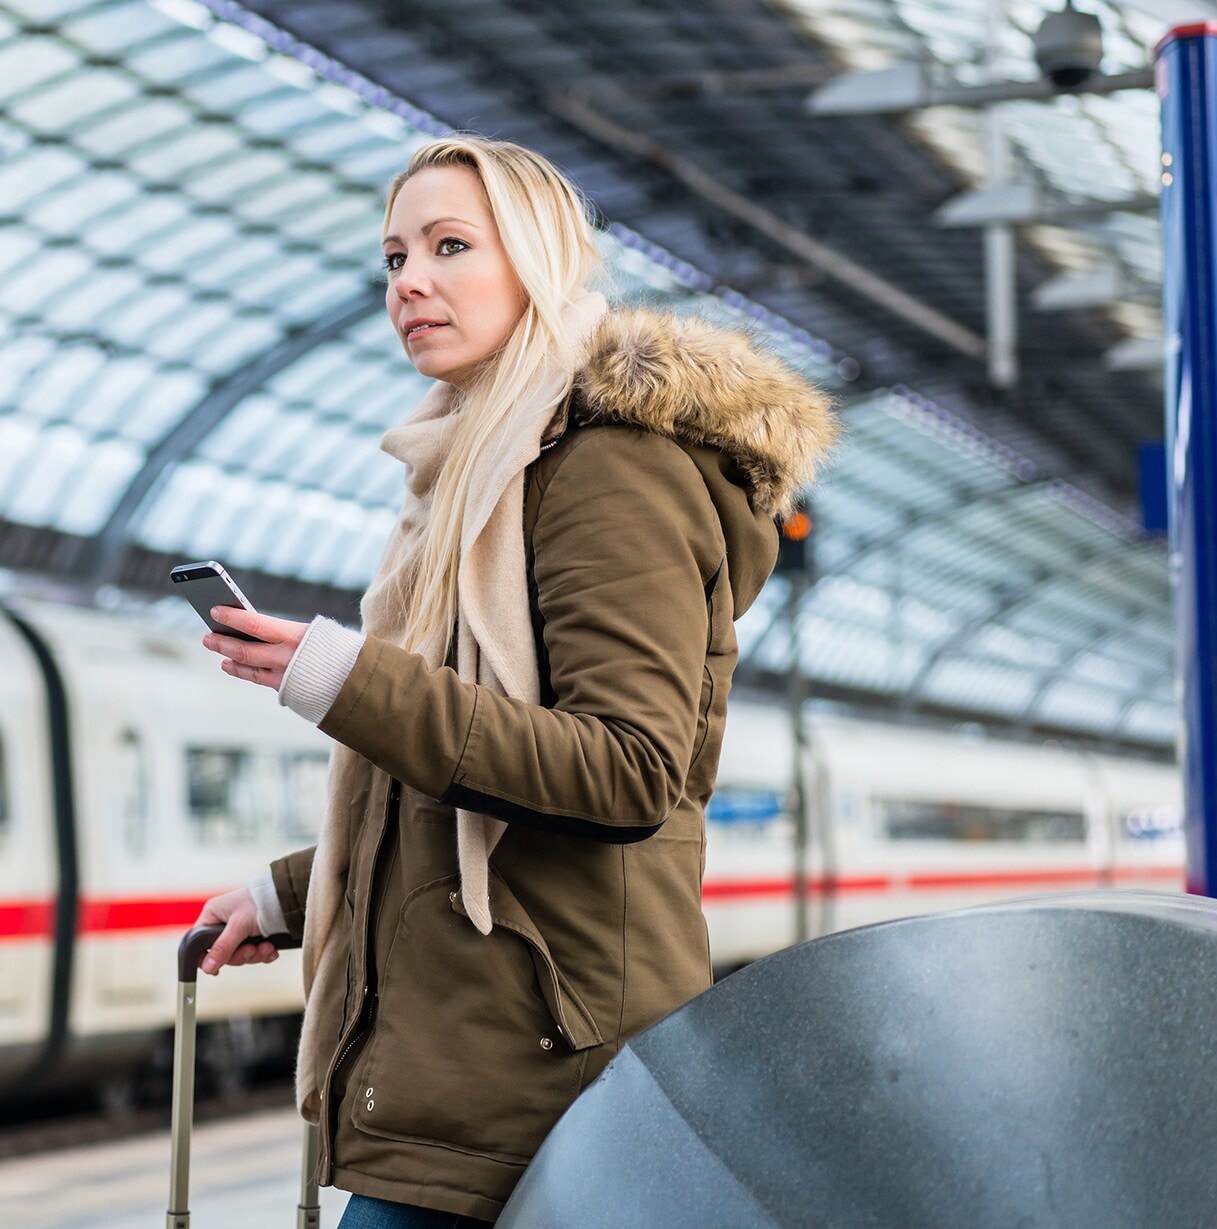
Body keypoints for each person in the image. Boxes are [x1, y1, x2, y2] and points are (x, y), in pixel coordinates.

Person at [191, 135, 836, 1226]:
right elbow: (468, 784)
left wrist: (343, 680)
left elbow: (627, 770)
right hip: (474, 1069)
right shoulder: (464, 476)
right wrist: (293, 894)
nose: (409, 280)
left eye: (450, 246)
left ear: (537, 260)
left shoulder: (608, 466)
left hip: (551, 1070)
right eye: (391, 256)